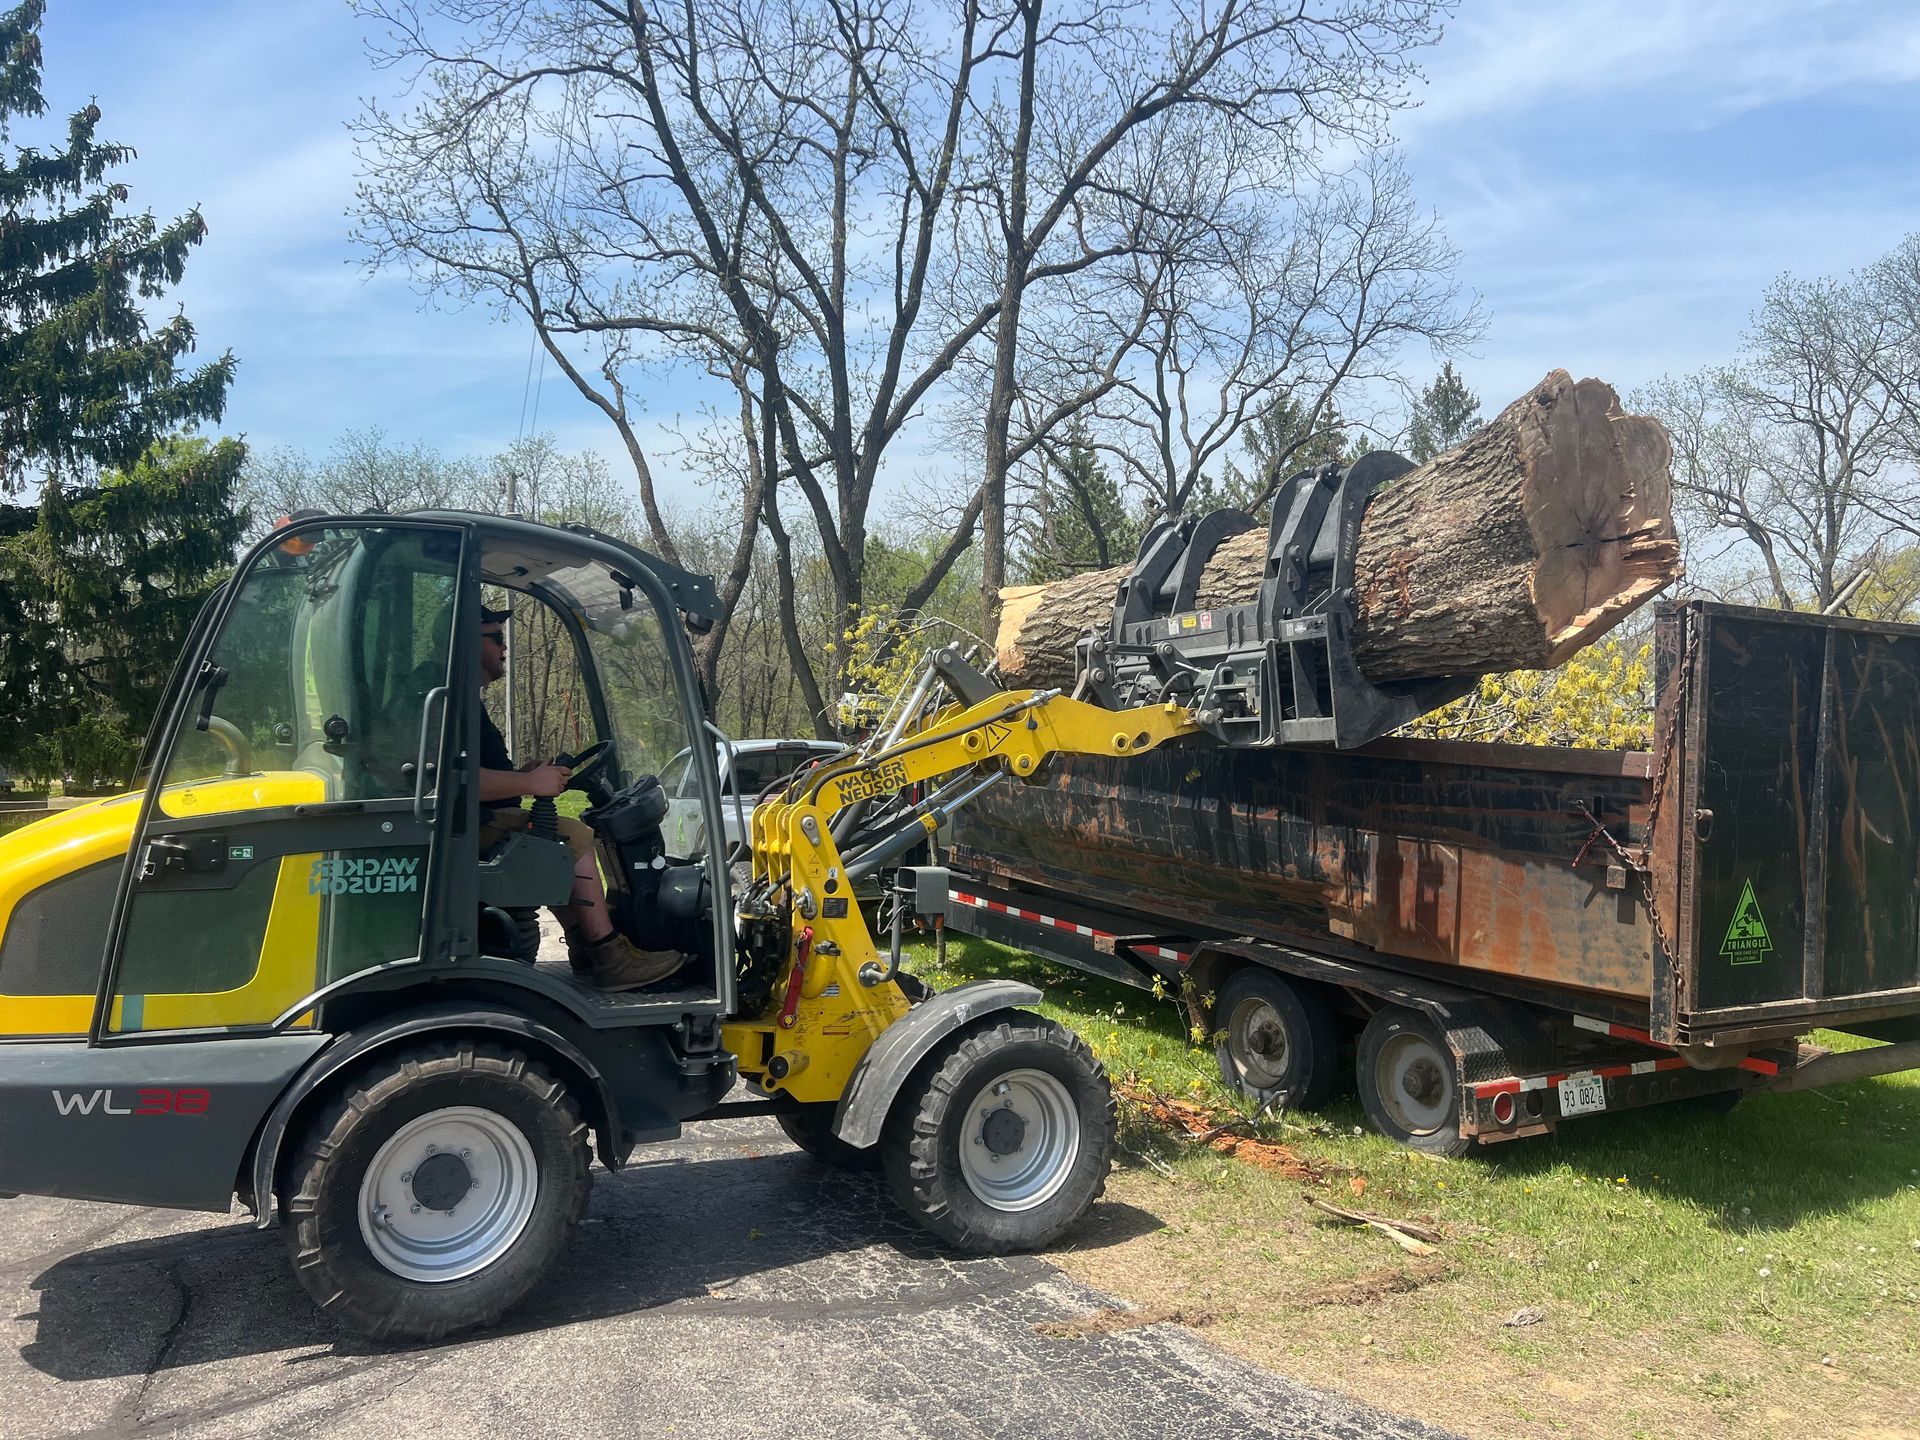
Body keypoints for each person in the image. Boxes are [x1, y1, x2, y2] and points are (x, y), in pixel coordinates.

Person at [476, 605, 682, 991]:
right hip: (471, 829)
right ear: (471, 643)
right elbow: (455, 781)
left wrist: (525, 776)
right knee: (573, 839)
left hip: (477, 823)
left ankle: (583, 948)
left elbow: (472, 775)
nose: (506, 648)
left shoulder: (463, 701)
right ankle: (609, 957)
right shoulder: (454, 705)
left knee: (551, 843)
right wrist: (530, 784)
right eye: (498, 639)